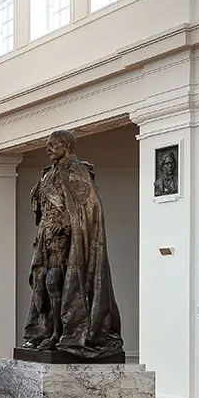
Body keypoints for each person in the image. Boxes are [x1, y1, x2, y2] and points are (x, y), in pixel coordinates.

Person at [23, 129, 124, 361]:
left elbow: (89, 208)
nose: (48, 149)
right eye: (47, 145)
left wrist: (68, 226)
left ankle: (61, 333)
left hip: (66, 242)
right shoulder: (48, 175)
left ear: (66, 146)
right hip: (45, 239)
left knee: (54, 282)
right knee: (39, 282)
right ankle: (44, 329)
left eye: (53, 145)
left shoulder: (78, 171)